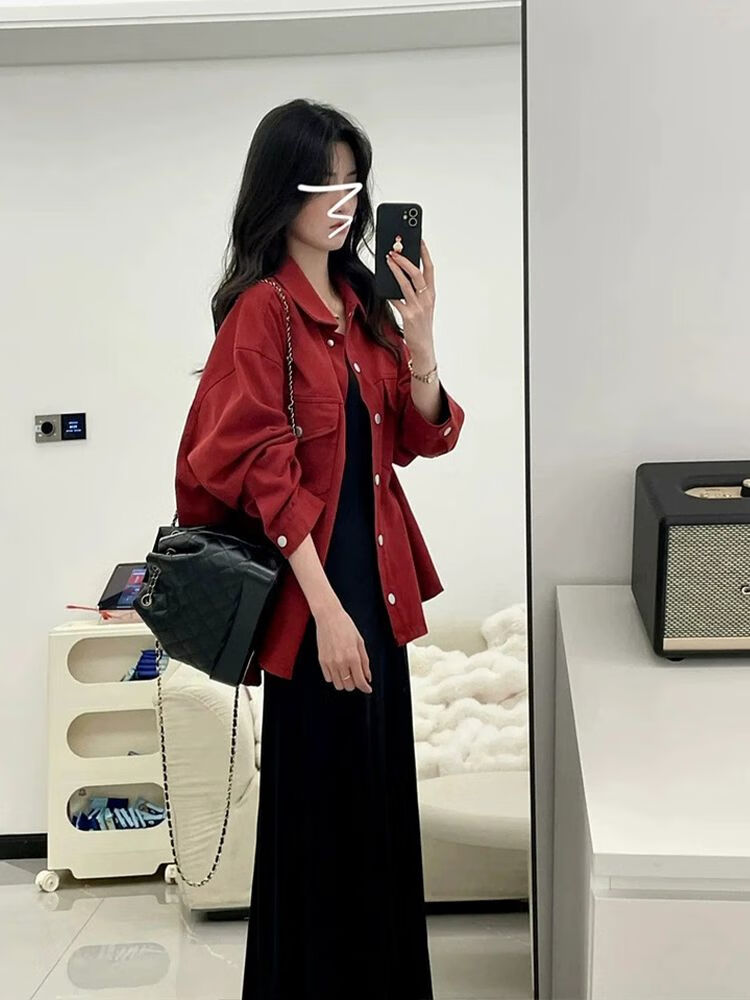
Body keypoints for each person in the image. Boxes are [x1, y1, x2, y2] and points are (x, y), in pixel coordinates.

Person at [174, 98, 465, 1000]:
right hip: (316, 605)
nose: (344, 198)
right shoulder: (262, 313)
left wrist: (421, 342)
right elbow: (263, 472)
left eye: (353, 181)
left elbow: (420, 437)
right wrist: (330, 614)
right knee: (322, 817)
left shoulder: (368, 304)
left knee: (378, 808)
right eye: (324, 181)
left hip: (376, 593)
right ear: (281, 191)